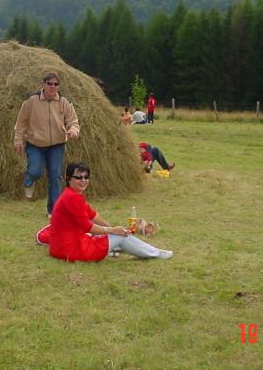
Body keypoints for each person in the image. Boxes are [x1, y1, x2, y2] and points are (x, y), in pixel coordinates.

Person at [49, 162, 173, 261]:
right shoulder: (73, 198)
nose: (83, 180)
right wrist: (113, 231)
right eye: (79, 177)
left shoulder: (69, 194)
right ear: (68, 178)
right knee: (121, 236)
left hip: (60, 247)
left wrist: (110, 227)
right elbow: (88, 227)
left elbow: (92, 214)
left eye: (86, 177)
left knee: (115, 234)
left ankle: (140, 249)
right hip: (72, 250)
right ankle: (156, 253)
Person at [14, 72, 80, 217]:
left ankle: (54, 210)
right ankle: (29, 181)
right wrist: (18, 140)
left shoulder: (63, 102)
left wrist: (73, 130)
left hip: (56, 144)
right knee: (35, 171)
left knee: (55, 175)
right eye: (49, 84)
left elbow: (73, 121)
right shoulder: (32, 102)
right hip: (35, 143)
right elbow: (21, 123)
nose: (52, 87)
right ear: (43, 84)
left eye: (55, 84)